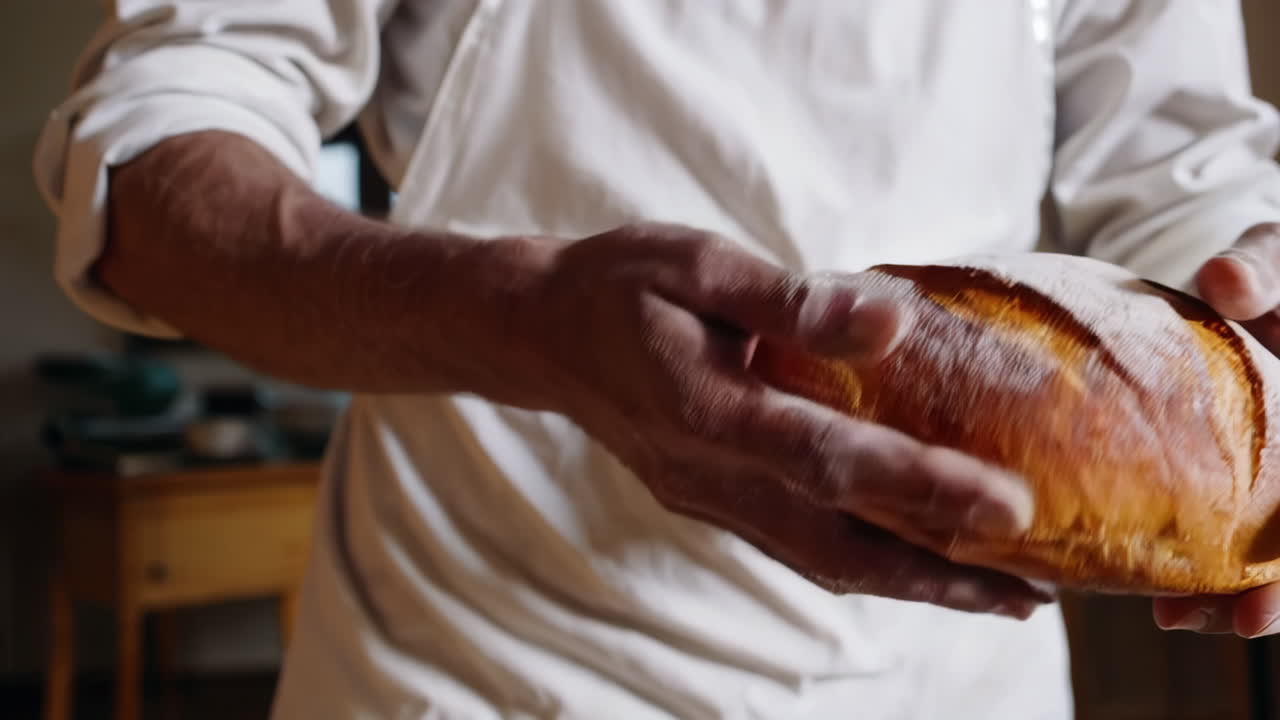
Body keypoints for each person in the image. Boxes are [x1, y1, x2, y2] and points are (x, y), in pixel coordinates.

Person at [34, 1, 1280, 717]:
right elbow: (150, 157)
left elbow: (1177, 183)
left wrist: (1255, 306)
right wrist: (514, 320)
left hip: (949, 675)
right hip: (489, 667)